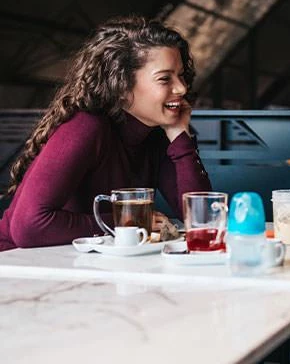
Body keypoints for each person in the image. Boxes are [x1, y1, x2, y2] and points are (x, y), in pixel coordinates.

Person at [0, 16, 212, 252]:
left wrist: (179, 136)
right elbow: (28, 228)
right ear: (121, 86)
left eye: (181, 75)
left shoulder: (157, 133)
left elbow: (200, 219)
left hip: (80, 265)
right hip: (15, 265)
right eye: (164, 78)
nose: (182, 88)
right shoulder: (86, 126)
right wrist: (128, 223)